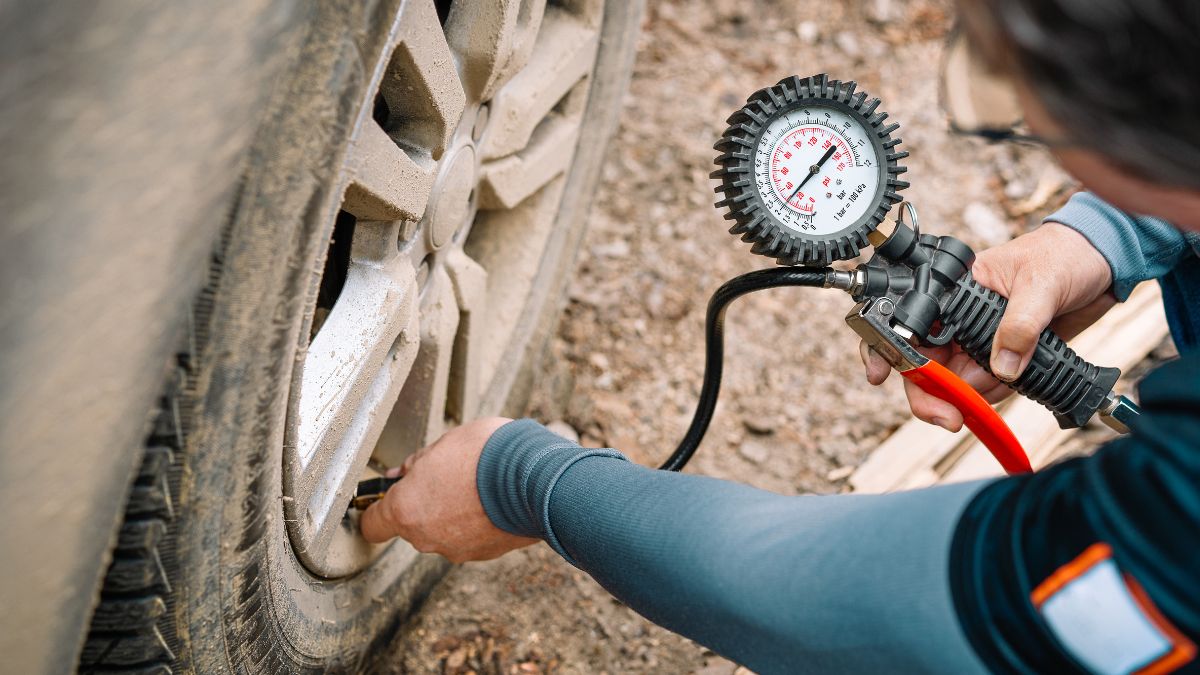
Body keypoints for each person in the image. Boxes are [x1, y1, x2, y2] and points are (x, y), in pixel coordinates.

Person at [361, 1, 1200, 672]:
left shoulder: (1177, 521)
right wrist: (1101, 238)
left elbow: (840, 606)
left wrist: (524, 480)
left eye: (1041, 118)